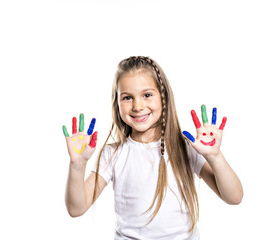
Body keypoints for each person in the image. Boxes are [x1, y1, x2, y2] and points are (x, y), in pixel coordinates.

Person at [63, 56, 243, 239]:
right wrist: (77, 165)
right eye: (127, 98)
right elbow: (76, 208)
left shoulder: (185, 148)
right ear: (117, 104)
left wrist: (215, 156)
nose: (138, 106)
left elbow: (234, 197)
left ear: (163, 97)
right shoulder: (113, 154)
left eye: (147, 95)